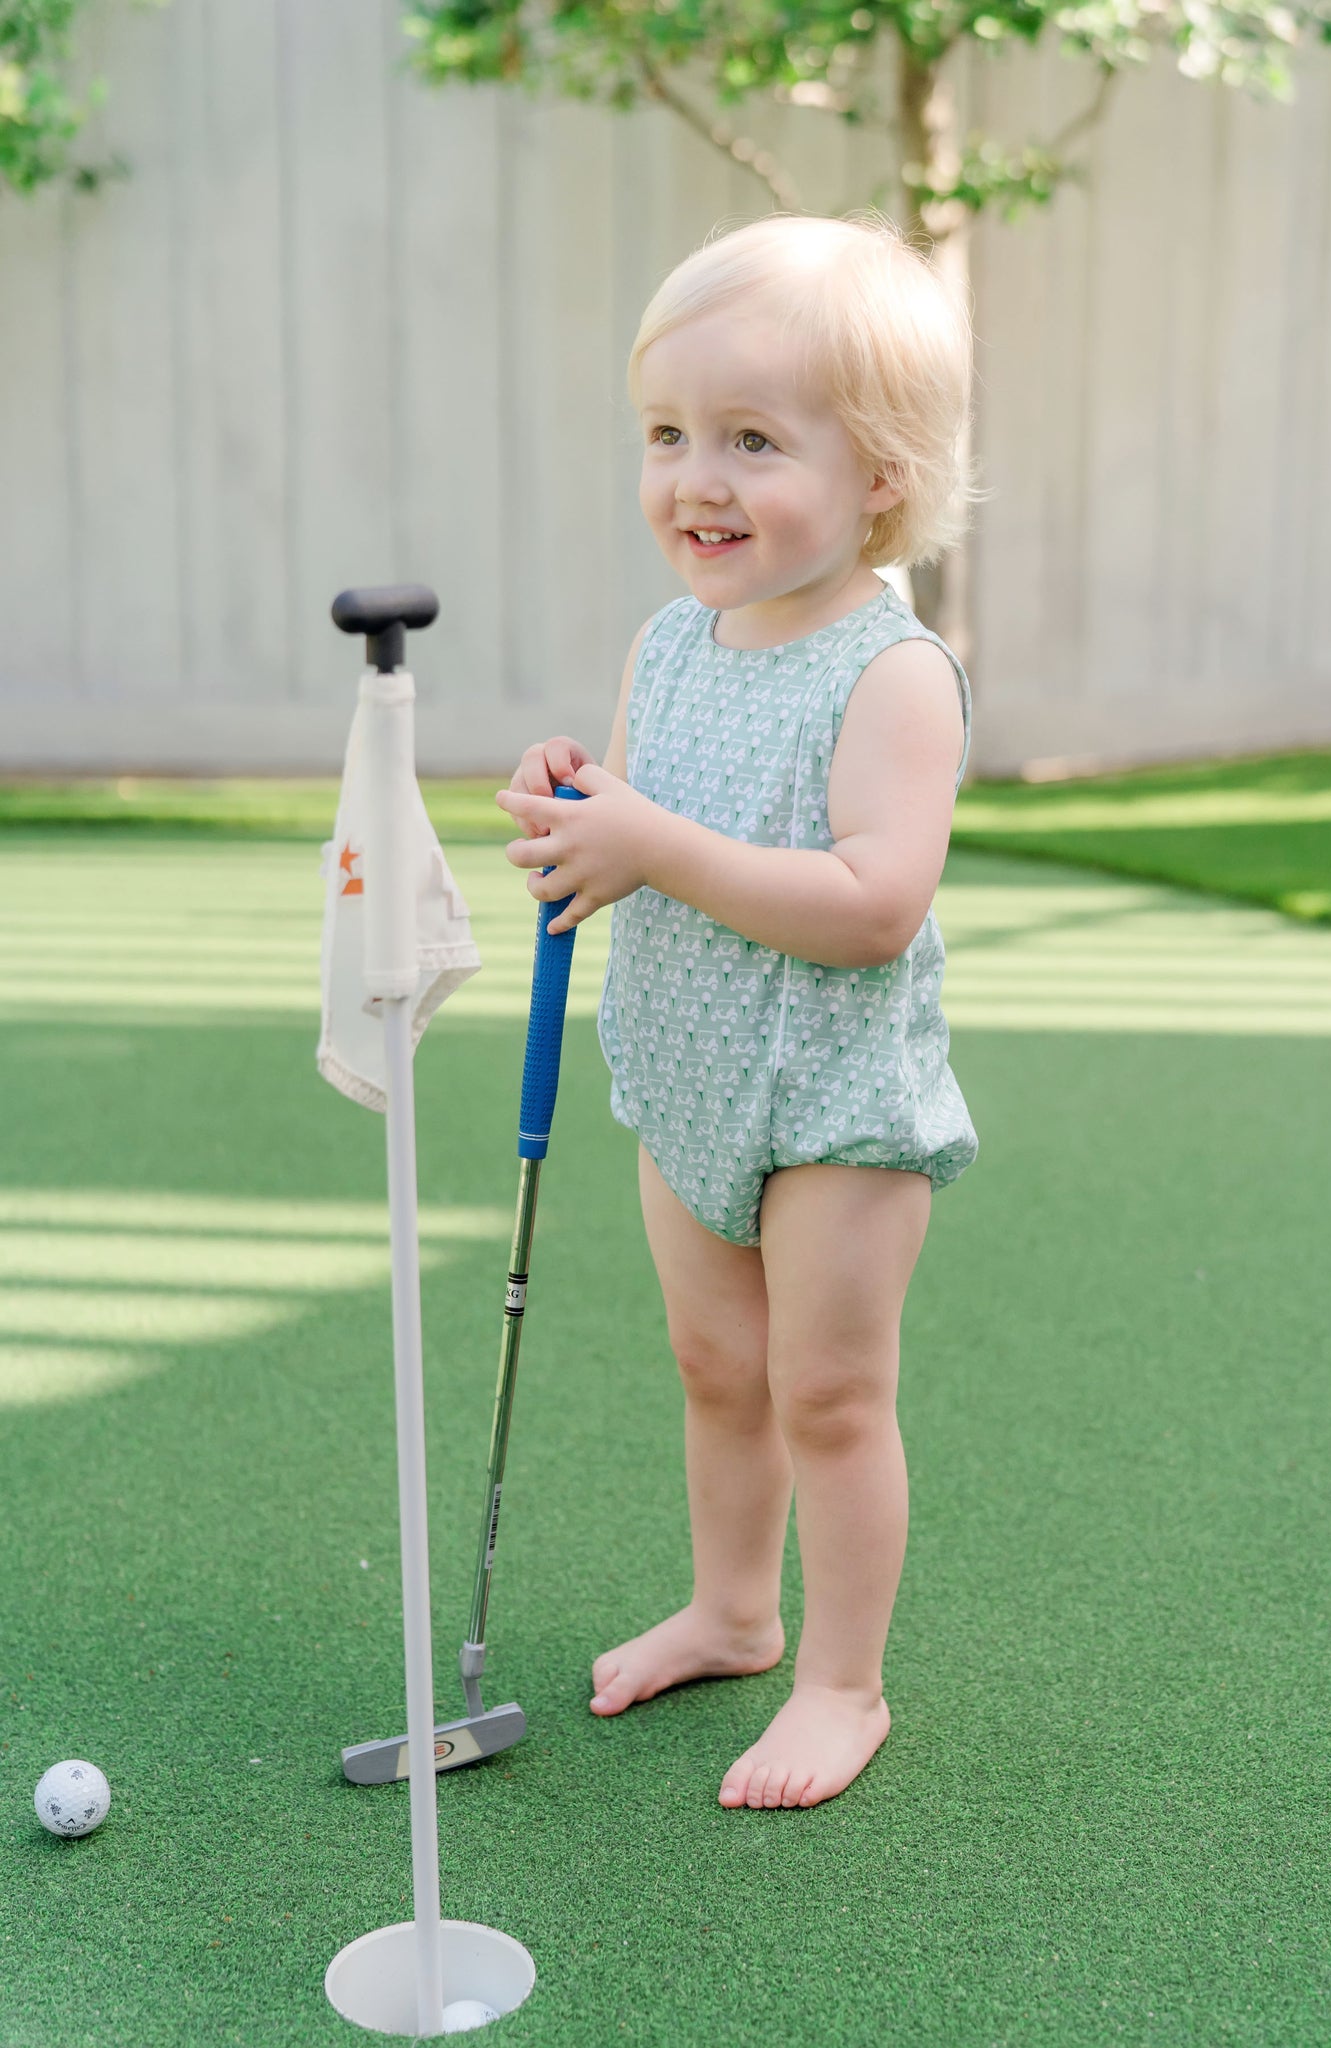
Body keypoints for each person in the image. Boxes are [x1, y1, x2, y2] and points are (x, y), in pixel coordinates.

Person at [495, 208, 984, 1811]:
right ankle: (732, 1606)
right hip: (689, 1079)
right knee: (717, 1372)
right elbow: (647, 837)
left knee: (826, 1395)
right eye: (667, 434)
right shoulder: (672, 639)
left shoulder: (890, 673)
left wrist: (658, 844)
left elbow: (869, 908)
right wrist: (588, 828)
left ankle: (846, 1683)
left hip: (830, 1107)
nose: (695, 479)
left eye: (753, 441)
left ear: (881, 480)